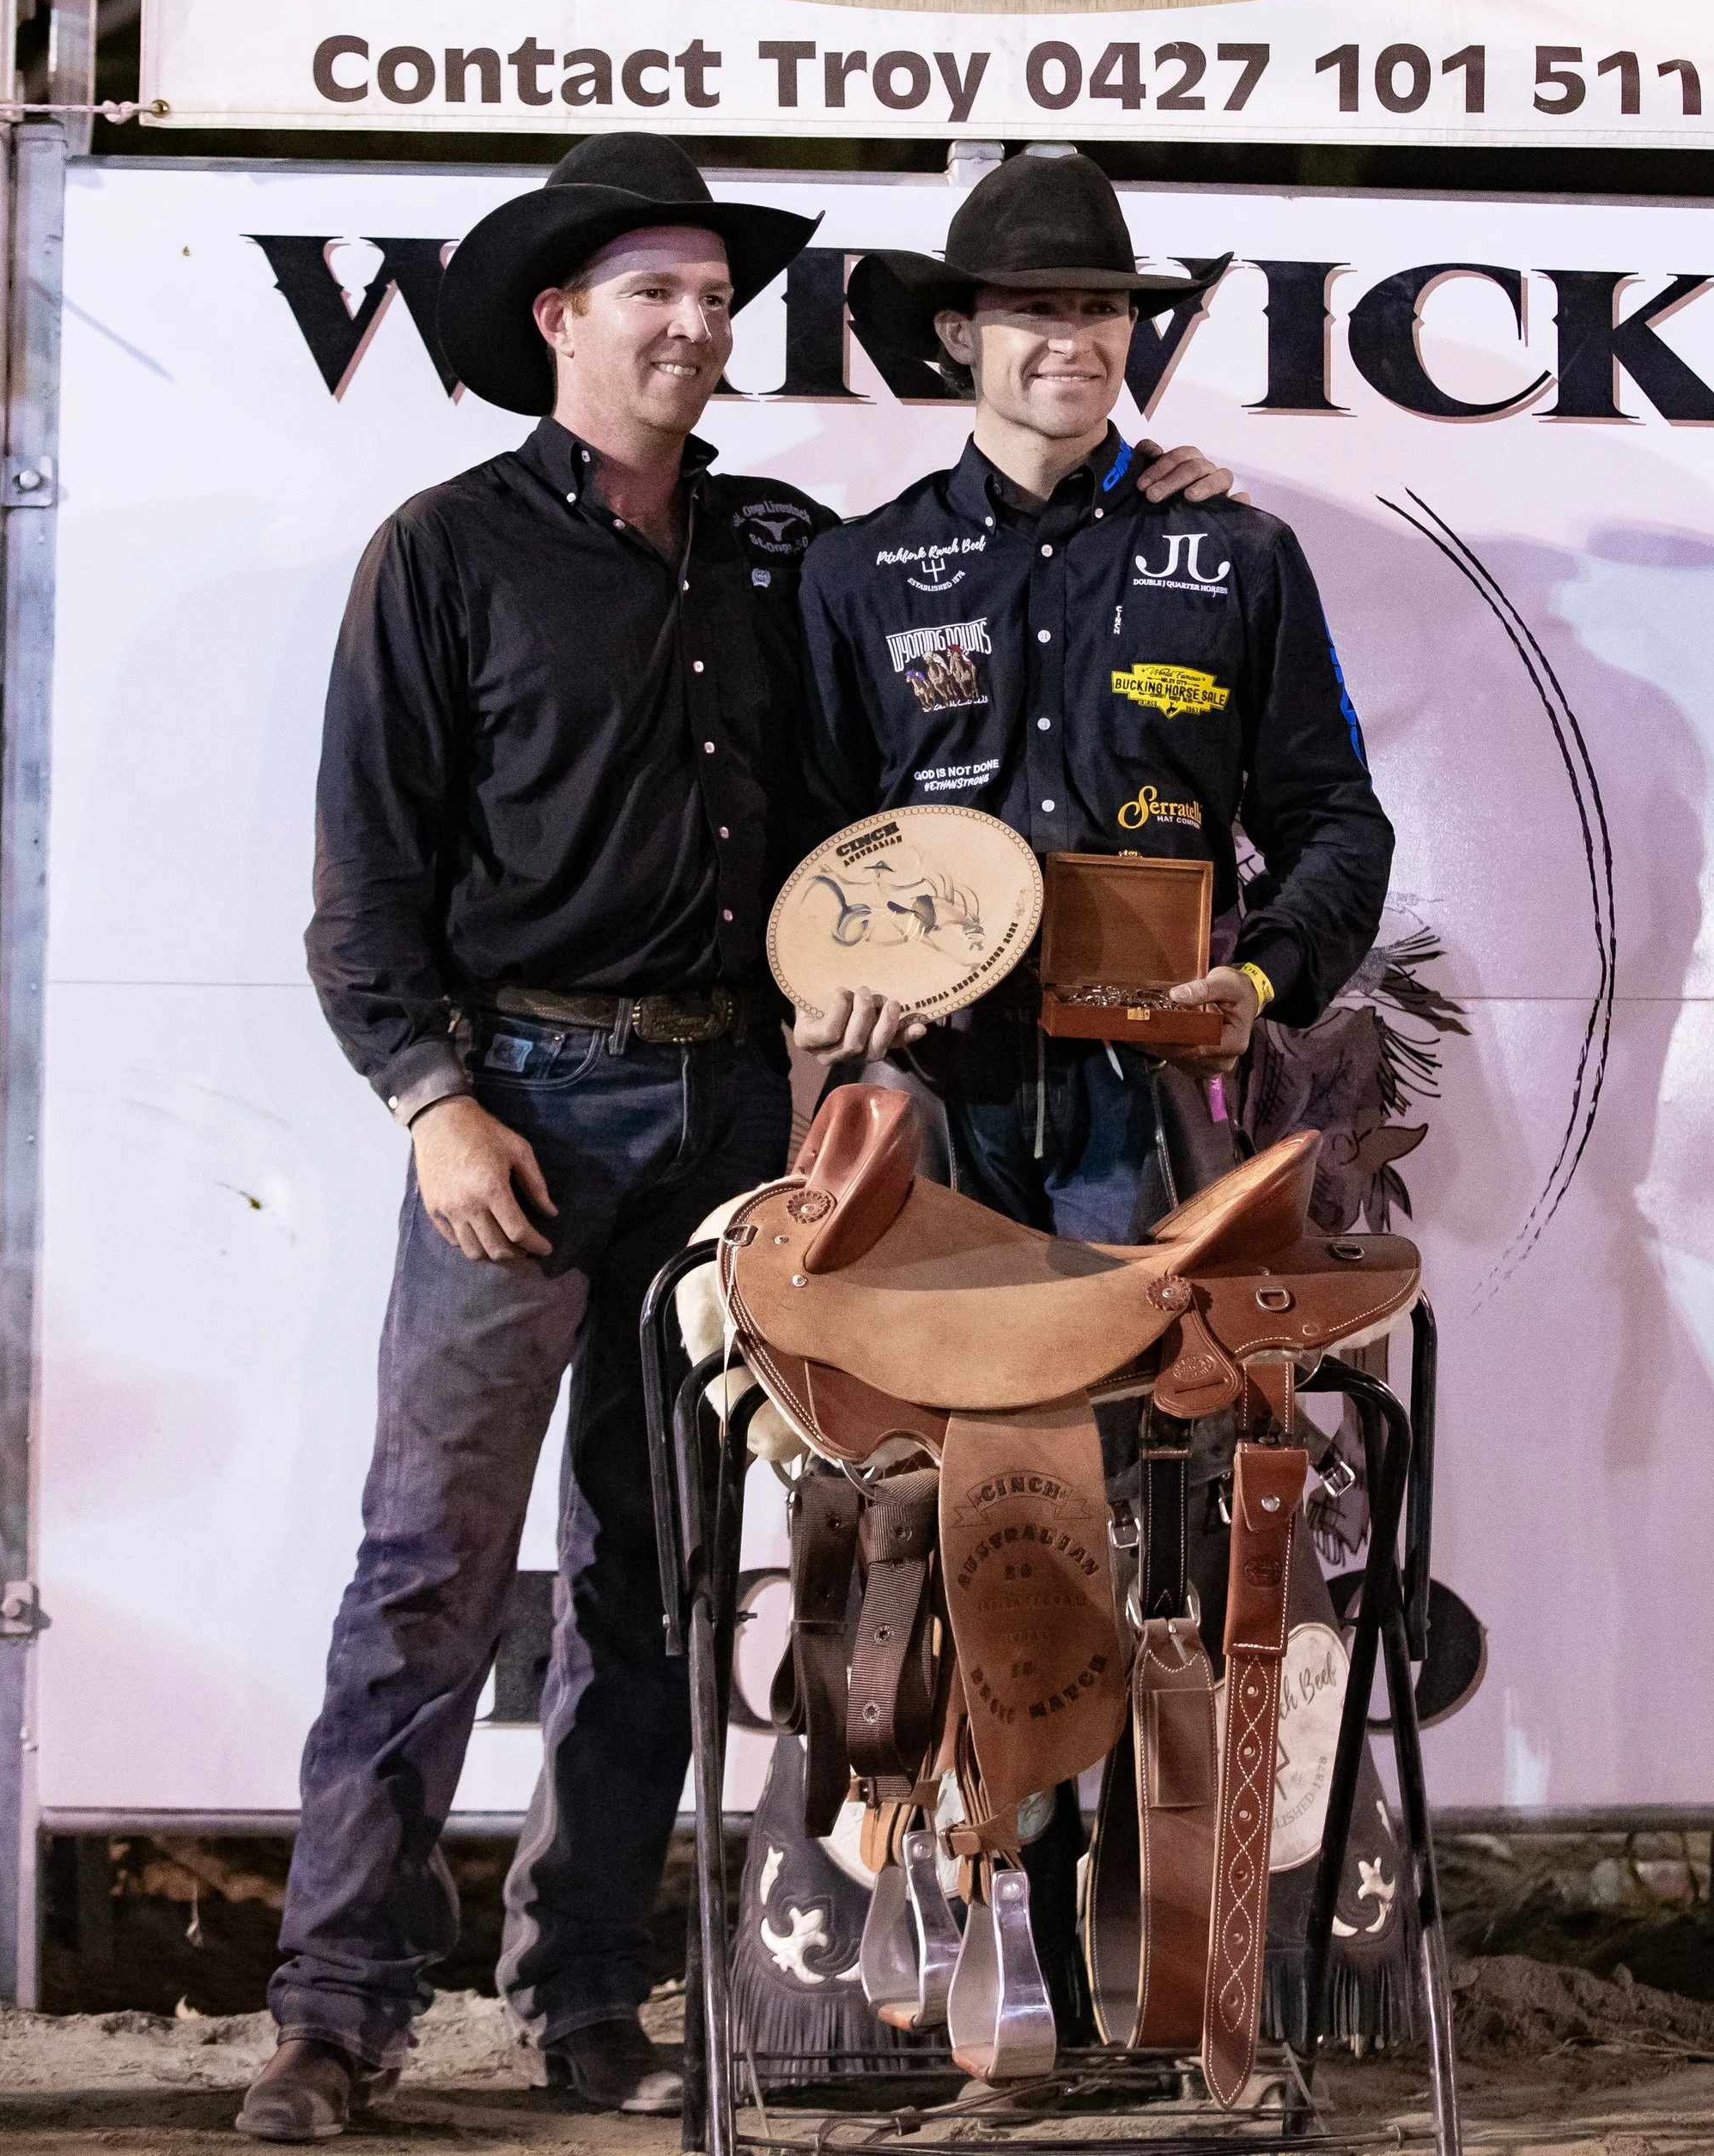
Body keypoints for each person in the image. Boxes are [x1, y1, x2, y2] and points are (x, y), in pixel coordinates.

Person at [241, 136, 1236, 2141]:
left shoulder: (784, 545)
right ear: (559, 317)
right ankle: (333, 2008)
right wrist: (434, 1102)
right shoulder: (444, 549)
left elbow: (925, 698)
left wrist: (1153, 493)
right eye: (653, 292)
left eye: (713, 292)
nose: (696, 322)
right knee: (430, 1563)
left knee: (660, 1576)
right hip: (514, 1107)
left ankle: (584, 1989)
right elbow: (364, 883)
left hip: (729, 1113)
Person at [792, 149, 1395, 1240]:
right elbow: (812, 821)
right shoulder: (855, 569)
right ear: (958, 332)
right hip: (925, 1071)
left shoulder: (1238, 553)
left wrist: (1256, 985)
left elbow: (1335, 817)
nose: (1073, 336)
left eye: (1102, 307)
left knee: (1147, 1396)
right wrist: (826, 977)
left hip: (1151, 1080)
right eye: (1033, 307)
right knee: (926, 1395)